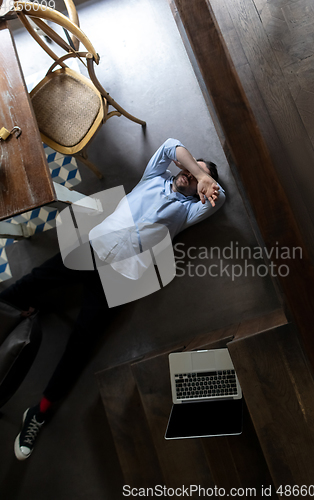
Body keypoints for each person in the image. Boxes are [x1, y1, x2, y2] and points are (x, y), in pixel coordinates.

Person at [0, 138, 225, 460]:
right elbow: (170, 145)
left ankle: (39, 411)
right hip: (91, 250)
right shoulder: (153, 178)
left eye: (198, 179)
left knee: (81, 344)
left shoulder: (188, 210)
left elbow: (221, 198)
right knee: (31, 282)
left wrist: (207, 182)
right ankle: (10, 314)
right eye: (191, 171)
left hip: (117, 280)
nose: (191, 178)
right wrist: (196, 171)